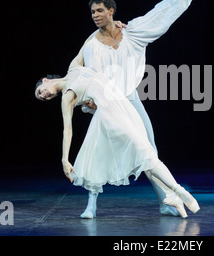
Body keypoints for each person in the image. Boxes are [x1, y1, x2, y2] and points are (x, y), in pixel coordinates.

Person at [68, 0, 214, 217]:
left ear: (111, 11)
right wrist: (87, 99)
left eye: (99, 10)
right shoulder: (91, 44)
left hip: (131, 101)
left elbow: (159, 15)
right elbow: (78, 70)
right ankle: (91, 205)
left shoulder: (132, 33)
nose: (95, 15)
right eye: (92, 12)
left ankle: (165, 202)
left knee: (149, 152)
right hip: (107, 105)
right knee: (98, 151)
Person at [34, 66, 200, 218]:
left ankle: (173, 195)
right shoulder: (67, 97)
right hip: (110, 116)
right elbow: (67, 129)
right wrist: (64, 159)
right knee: (142, 153)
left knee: (143, 154)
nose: (43, 96)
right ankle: (179, 192)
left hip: (122, 105)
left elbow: (89, 43)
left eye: (40, 92)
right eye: (42, 98)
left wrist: (115, 31)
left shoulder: (73, 68)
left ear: (45, 80)